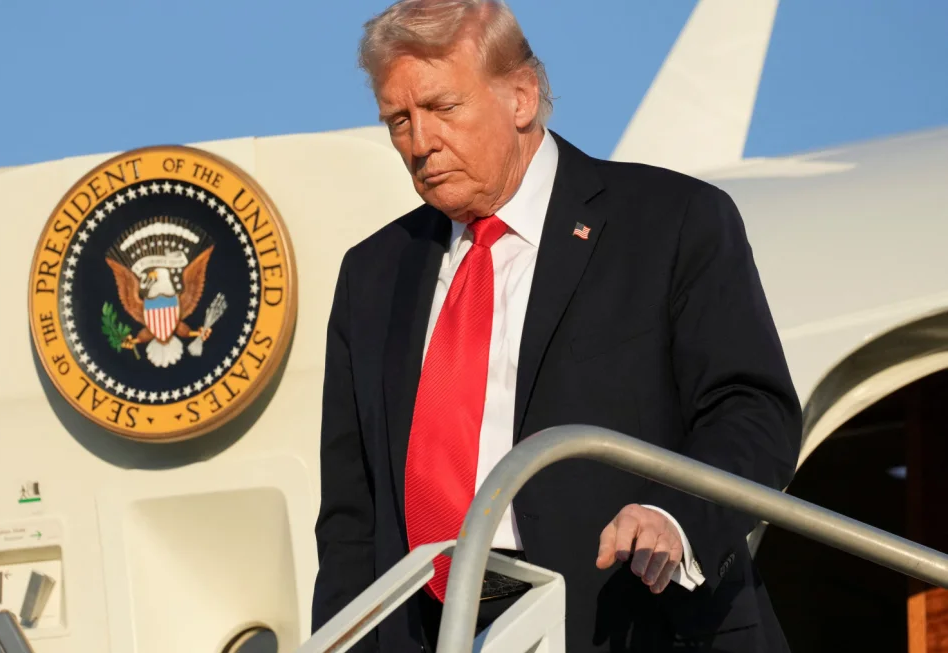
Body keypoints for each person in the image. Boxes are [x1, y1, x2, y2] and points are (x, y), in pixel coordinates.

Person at [310, 1, 802, 651]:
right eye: (398, 119)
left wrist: (672, 516)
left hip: (633, 623)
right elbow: (351, 518)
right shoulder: (371, 275)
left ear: (520, 96)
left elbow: (752, 411)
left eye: (441, 108)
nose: (419, 142)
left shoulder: (669, 222)